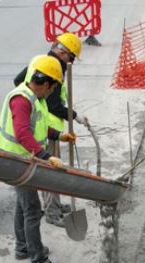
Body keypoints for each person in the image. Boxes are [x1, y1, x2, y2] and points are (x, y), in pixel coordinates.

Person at [0, 55, 77, 263]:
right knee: (32, 209)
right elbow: (22, 132)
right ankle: (38, 259)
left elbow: (38, 127)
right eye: (51, 89)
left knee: (23, 206)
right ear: (44, 83)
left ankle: (23, 247)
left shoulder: (34, 97)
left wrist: (60, 136)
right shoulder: (22, 100)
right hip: (18, 161)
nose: (51, 93)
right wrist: (44, 155)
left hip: (22, 159)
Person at [13, 33, 88, 227]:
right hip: (47, 125)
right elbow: (54, 105)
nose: (71, 62)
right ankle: (52, 211)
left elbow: (17, 80)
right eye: (71, 58)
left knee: (47, 169)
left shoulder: (38, 60)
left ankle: (53, 205)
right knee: (51, 170)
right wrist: (74, 115)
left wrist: (31, 103)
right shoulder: (54, 69)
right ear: (62, 51)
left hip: (39, 124)